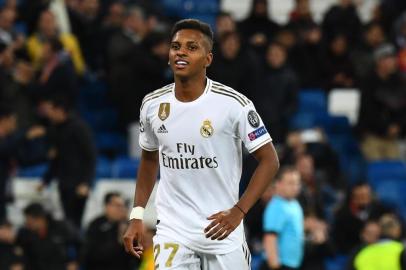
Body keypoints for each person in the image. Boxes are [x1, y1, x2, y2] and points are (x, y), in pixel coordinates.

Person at [123, 19, 280, 270]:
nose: (181, 51)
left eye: (191, 47)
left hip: (222, 232)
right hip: (174, 231)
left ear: (208, 59)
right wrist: (137, 215)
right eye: (176, 46)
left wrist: (239, 211)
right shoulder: (152, 105)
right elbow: (149, 159)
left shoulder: (233, 105)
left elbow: (270, 160)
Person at [38, 95, 96, 229]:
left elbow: (91, 156)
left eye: (51, 109)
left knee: (76, 222)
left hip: (78, 184)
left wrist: (86, 183)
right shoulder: (54, 129)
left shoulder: (79, 128)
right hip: (64, 183)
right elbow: (56, 159)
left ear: (60, 110)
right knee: (67, 221)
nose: (49, 114)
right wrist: (46, 180)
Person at [261, 167, 304, 270]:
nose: (295, 187)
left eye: (297, 183)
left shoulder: (295, 204)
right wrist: (275, 266)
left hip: (293, 264)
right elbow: (270, 239)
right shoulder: (276, 206)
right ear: (278, 184)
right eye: (290, 183)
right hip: (279, 265)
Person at [82, 192, 137, 270]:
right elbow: (91, 254)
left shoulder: (128, 226)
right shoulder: (96, 225)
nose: (121, 209)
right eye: (117, 206)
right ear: (107, 206)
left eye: (123, 206)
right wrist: (119, 240)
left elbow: (136, 257)